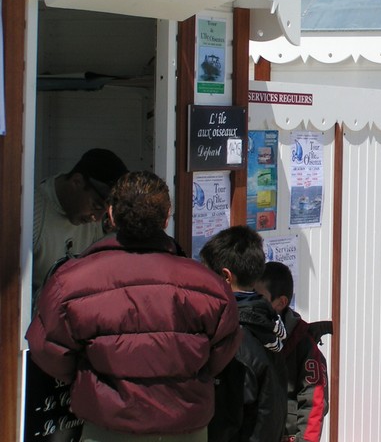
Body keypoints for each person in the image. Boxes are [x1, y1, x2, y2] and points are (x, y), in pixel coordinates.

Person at [27, 171, 241, 441]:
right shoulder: (209, 287)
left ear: (112, 215)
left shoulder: (70, 282)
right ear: (166, 218)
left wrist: (90, 377)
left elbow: (47, 349)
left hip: (108, 426)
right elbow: (223, 351)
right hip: (185, 426)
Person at [199, 226, 288, 442]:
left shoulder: (235, 338)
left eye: (205, 275)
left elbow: (226, 421)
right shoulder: (266, 324)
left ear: (225, 277)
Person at [32, 148, 128, 298]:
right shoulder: (33, 212)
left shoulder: (99, 224)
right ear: (76, 182)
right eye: (96, 206)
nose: (96, 218)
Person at [255, 262, 330, 442]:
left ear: (281, 302)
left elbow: (315, 400)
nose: (252, 303)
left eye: (259, 298)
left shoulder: (303, 343)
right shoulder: (247, 333)